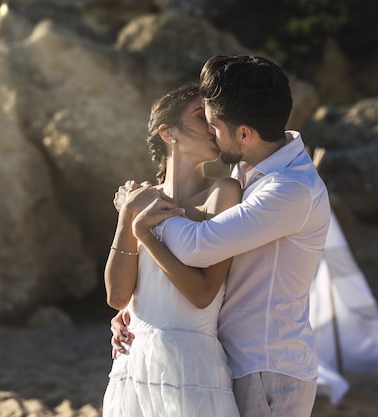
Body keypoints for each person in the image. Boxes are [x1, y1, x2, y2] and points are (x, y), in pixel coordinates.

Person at [111, 55, 331, 417]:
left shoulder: (290, 189)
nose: (210, 132)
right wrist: (140, 309)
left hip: (267, 367)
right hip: (231, 360)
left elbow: (198, 247)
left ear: (245, 133)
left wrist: (140, 213)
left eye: (213, 123)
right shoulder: (251, 164)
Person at [102, 83, 242, 417]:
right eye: (200, 117)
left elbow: (204, 293)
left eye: (213, 118)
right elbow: (117, 296)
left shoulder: (223, 193)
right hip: (134, 363)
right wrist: (126, 218)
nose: (212, 126)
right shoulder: (139, 200)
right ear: (168, 133)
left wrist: (145, 233)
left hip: (192, 364)